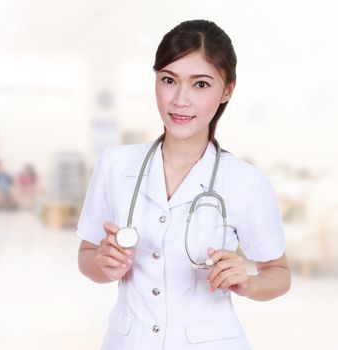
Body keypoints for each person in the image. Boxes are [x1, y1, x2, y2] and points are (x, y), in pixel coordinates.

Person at [76, 20, 291, 350]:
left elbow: (278, 274)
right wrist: (104, 265)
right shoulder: (115, 165)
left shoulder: (246, 182)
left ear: (227, 89)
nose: (180, 100)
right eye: (168, 80)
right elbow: (87, 256)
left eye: (201, 84)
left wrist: (245, 282)